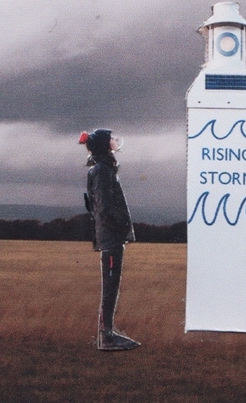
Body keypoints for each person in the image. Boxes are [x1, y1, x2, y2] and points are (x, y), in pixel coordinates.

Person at [81, 128, 140, 351]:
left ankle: (108, 334)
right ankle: (107, 338)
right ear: (105, 146)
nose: (115, 142)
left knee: (111, 286)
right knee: (110, 287)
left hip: (111, 236)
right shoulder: (102, 171)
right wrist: (122, 225)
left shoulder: (103, 169)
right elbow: (104, 208)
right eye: (111, 139)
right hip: (111, 237)